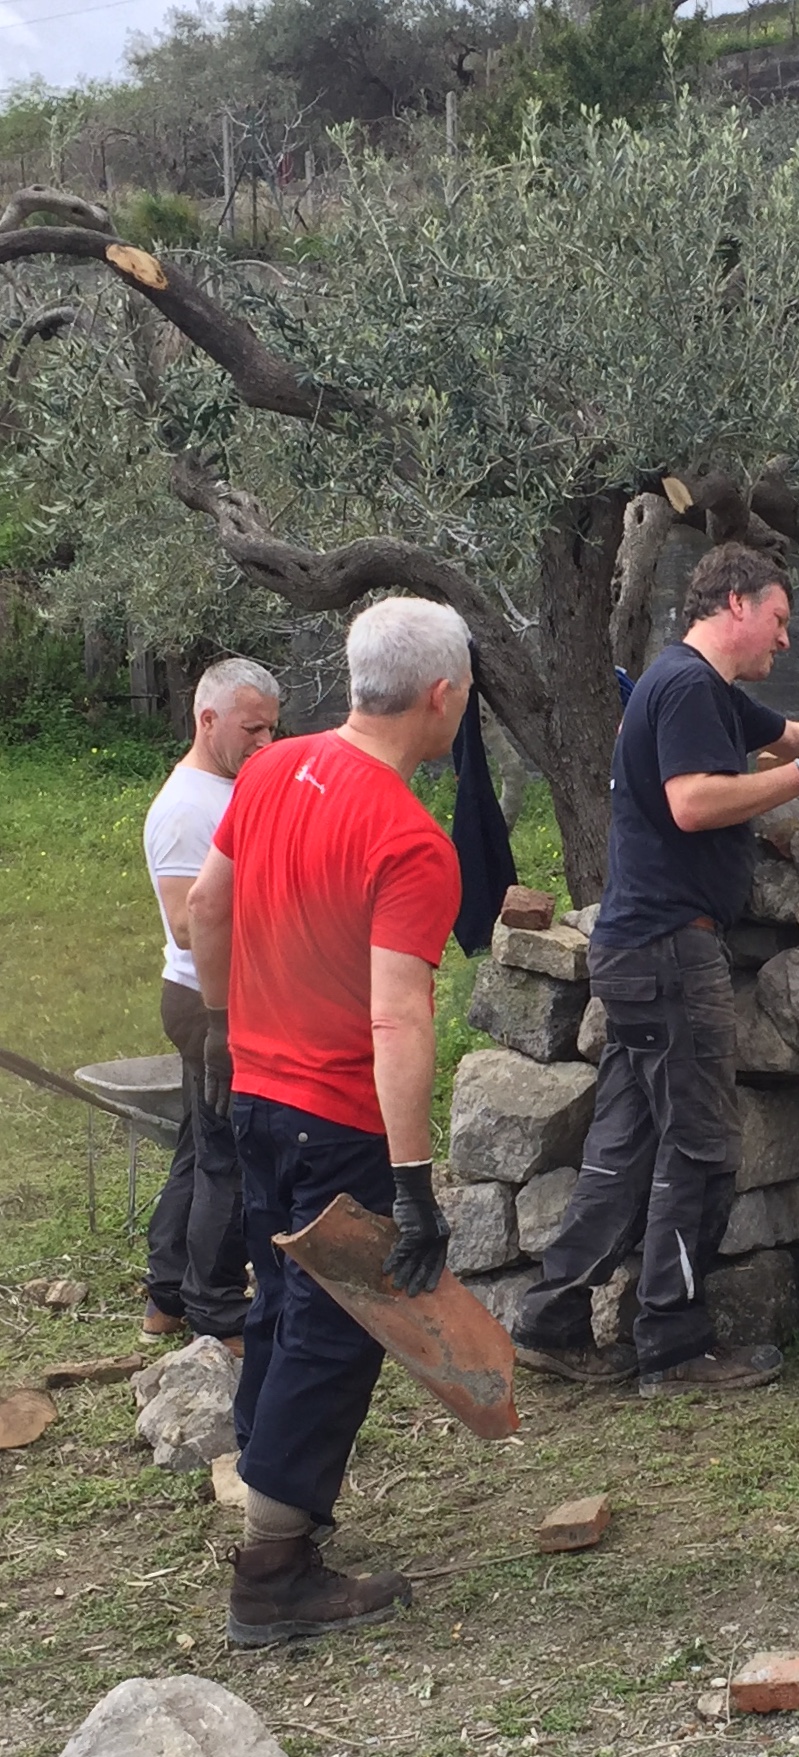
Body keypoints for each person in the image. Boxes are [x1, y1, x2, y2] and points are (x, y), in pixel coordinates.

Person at [513, 543, 799, 1396]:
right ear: (734, 603)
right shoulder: (686, 688)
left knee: (625, 1146)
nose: (786, 641)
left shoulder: (705, 691)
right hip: (667, 952)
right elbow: (691, 802)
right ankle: (675, 1346)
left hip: (641, 948)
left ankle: (551, 1319)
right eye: (779, 619)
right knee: (701, 1145)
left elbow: (794, 732)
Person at [187, 597, 471, 1647]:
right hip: (337, 1112)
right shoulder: (408, 837)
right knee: (334, 1327)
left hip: (257, 1092)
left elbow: (207, 907)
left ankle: (270, 1509)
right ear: (441, 695)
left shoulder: (267, 768)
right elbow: (398, 1012)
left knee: (278, 1301)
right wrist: (412, 1179)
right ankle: (272, 1570)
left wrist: (222, 1027)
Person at [141, 659, 279, 1347]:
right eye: (251, 728)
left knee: (197, 1152)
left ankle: (165, 1299)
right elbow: (188, 925)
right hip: (206, 1003)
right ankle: (220, 1316)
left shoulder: (227, 789)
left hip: (219, 997)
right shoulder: (185, 808)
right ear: (207, 719)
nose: (263, 743)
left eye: (271, 729)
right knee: (229, 1158)